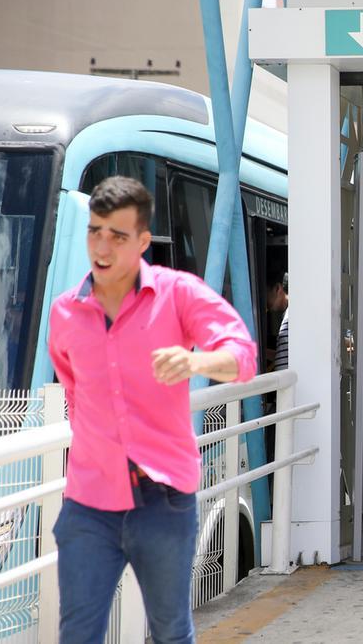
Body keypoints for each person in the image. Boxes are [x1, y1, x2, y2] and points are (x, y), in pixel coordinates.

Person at [47, 176, 257, 643]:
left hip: (163, 499)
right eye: (95, 231)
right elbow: (75, 393)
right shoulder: (64, 313)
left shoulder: (178, 293)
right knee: (77, 635)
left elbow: (242, 356)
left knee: (170, 632)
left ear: (143, 241)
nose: (102, 247)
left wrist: (196, 361)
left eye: (117, 236)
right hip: (89, 501)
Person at [266, 272, 289, 371]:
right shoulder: (288, 315)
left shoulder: (291, 318)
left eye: (266, 294)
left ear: (277, 288)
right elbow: (284, 355)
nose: (265, 302)